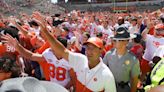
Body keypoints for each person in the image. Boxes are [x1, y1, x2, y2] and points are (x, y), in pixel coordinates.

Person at [32, 12, 116, 92]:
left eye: (93, 48)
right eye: (87, 48)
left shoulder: (107, 75)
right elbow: (62, 50)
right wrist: (45, 31)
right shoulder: (81, 59)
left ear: (101, 50)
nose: (89, 51)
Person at [2, 34, 71, 88]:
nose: (50, 47)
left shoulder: (70, 58)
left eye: (53, 46)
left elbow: (73, 79)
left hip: (64, 88)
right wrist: (18, 46)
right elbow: (31, 56)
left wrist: (64, 88)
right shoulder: (48, 53)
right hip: (52, 85)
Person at [103, 27, 140, 92]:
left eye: (120, 40)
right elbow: (102, 70)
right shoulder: (108, 55)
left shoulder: (133, 59)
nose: (114, 42)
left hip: (124, 89)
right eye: (114, 40)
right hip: (109, 87)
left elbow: (134, 80)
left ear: (126, 42)